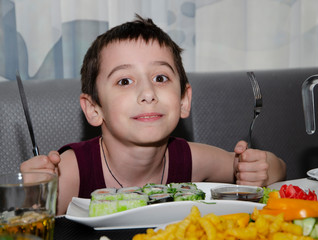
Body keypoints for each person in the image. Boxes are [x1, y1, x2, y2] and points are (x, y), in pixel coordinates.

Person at [20, 15, 286, 215]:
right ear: (93, 109)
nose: (147, 93)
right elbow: (27, 216)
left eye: (160, 77)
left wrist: (259, 169)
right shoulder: (72, 171)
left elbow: (277, 169)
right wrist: (32, 194)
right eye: (125, 81)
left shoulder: (191, 159)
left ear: (183, 100)